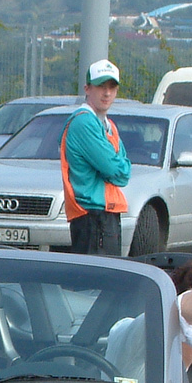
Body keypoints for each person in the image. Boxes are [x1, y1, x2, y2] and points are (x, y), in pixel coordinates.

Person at [61, 59, 131, 257]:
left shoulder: (108, 125)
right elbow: (116, 170)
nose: (107, 93)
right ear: (87, 88)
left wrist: (118, 168)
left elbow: (124, 174)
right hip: (91, 218)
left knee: (107, 282)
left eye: (112, 87)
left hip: (104, 216)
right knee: (94, 285)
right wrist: (117, 167)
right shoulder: (84, 122)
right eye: (101, 86)